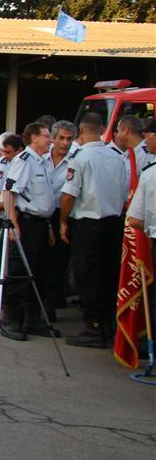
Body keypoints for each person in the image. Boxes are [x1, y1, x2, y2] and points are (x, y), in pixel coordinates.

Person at [60, 112, 128, 348]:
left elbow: (69, 195)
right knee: (109, 275)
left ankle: (94, 328)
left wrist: (63, 221)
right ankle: (108, 325)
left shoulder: (80, 158)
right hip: (114, 222)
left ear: (80, 130)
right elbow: (123, 190)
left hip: (89, 225)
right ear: (102, 129)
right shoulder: (116, 157)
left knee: (89, 276)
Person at [1, 122, 58, 341]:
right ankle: (11, 320)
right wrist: (13, 224)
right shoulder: (24, 161)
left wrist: (50, 226)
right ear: (34, 137)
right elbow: (9, 193)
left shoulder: (43, 162)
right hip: (27, 223)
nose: (50, 140)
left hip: (42, 223)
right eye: (46, 136)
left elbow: (46, 198)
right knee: (20, 273)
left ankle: (33, 319)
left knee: (40, 273)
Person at [44, 120, 77, 314]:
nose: (65, 143)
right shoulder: (42, 158)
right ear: (53, 139)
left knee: (58, 262)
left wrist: (64, 221)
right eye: (61, 138)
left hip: (63, 215)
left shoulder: (75, 161)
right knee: (42, 261)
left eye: (69, 139)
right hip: (42, 214)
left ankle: (53, 303)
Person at [127, 118, 156, 273]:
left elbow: (135, 219)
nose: (144, 141)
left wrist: (151, 228)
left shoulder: (149, 174)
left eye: (147, 136)